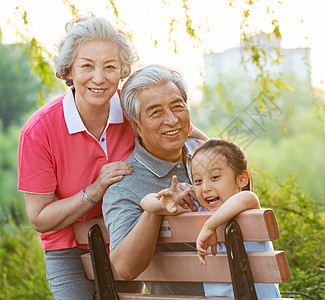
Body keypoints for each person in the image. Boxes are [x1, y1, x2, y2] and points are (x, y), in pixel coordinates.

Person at [17, 16, 205, 299]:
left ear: (122, 70)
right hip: (68, 248)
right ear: (69, 69)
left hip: (125, 235)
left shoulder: (137, 109)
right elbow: (40, 218)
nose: (99, 77)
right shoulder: (39, 130)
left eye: (110, 67)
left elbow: (191, 137)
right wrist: (95, 190)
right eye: (87, 66)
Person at [102, 64, 205, 296]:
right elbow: (125, 268)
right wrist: (155, 210)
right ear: (136, 125)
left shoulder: (209, 155)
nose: (171, 120)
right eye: (156, 112)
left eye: (177, 106)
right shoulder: (124, 186)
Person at [140, 138, 281, 298]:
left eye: (214, 177)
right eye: (198, 181)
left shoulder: (245, 209)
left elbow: (247, 197)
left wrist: (210, 226)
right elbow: (145, 202)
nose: (205, 188)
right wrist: (165, 202)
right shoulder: (198, 209)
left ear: (242, 179)